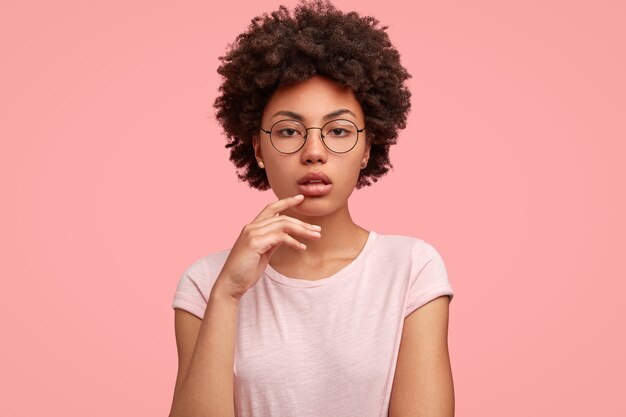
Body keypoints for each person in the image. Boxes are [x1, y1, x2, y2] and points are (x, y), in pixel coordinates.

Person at [169, 1, 455, 416]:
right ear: (259, 149)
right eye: (289, 131)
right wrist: (228, 294)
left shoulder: (412, 269)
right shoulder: (206, 283)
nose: (314, 152)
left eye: (339, 131)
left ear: (366, 148)